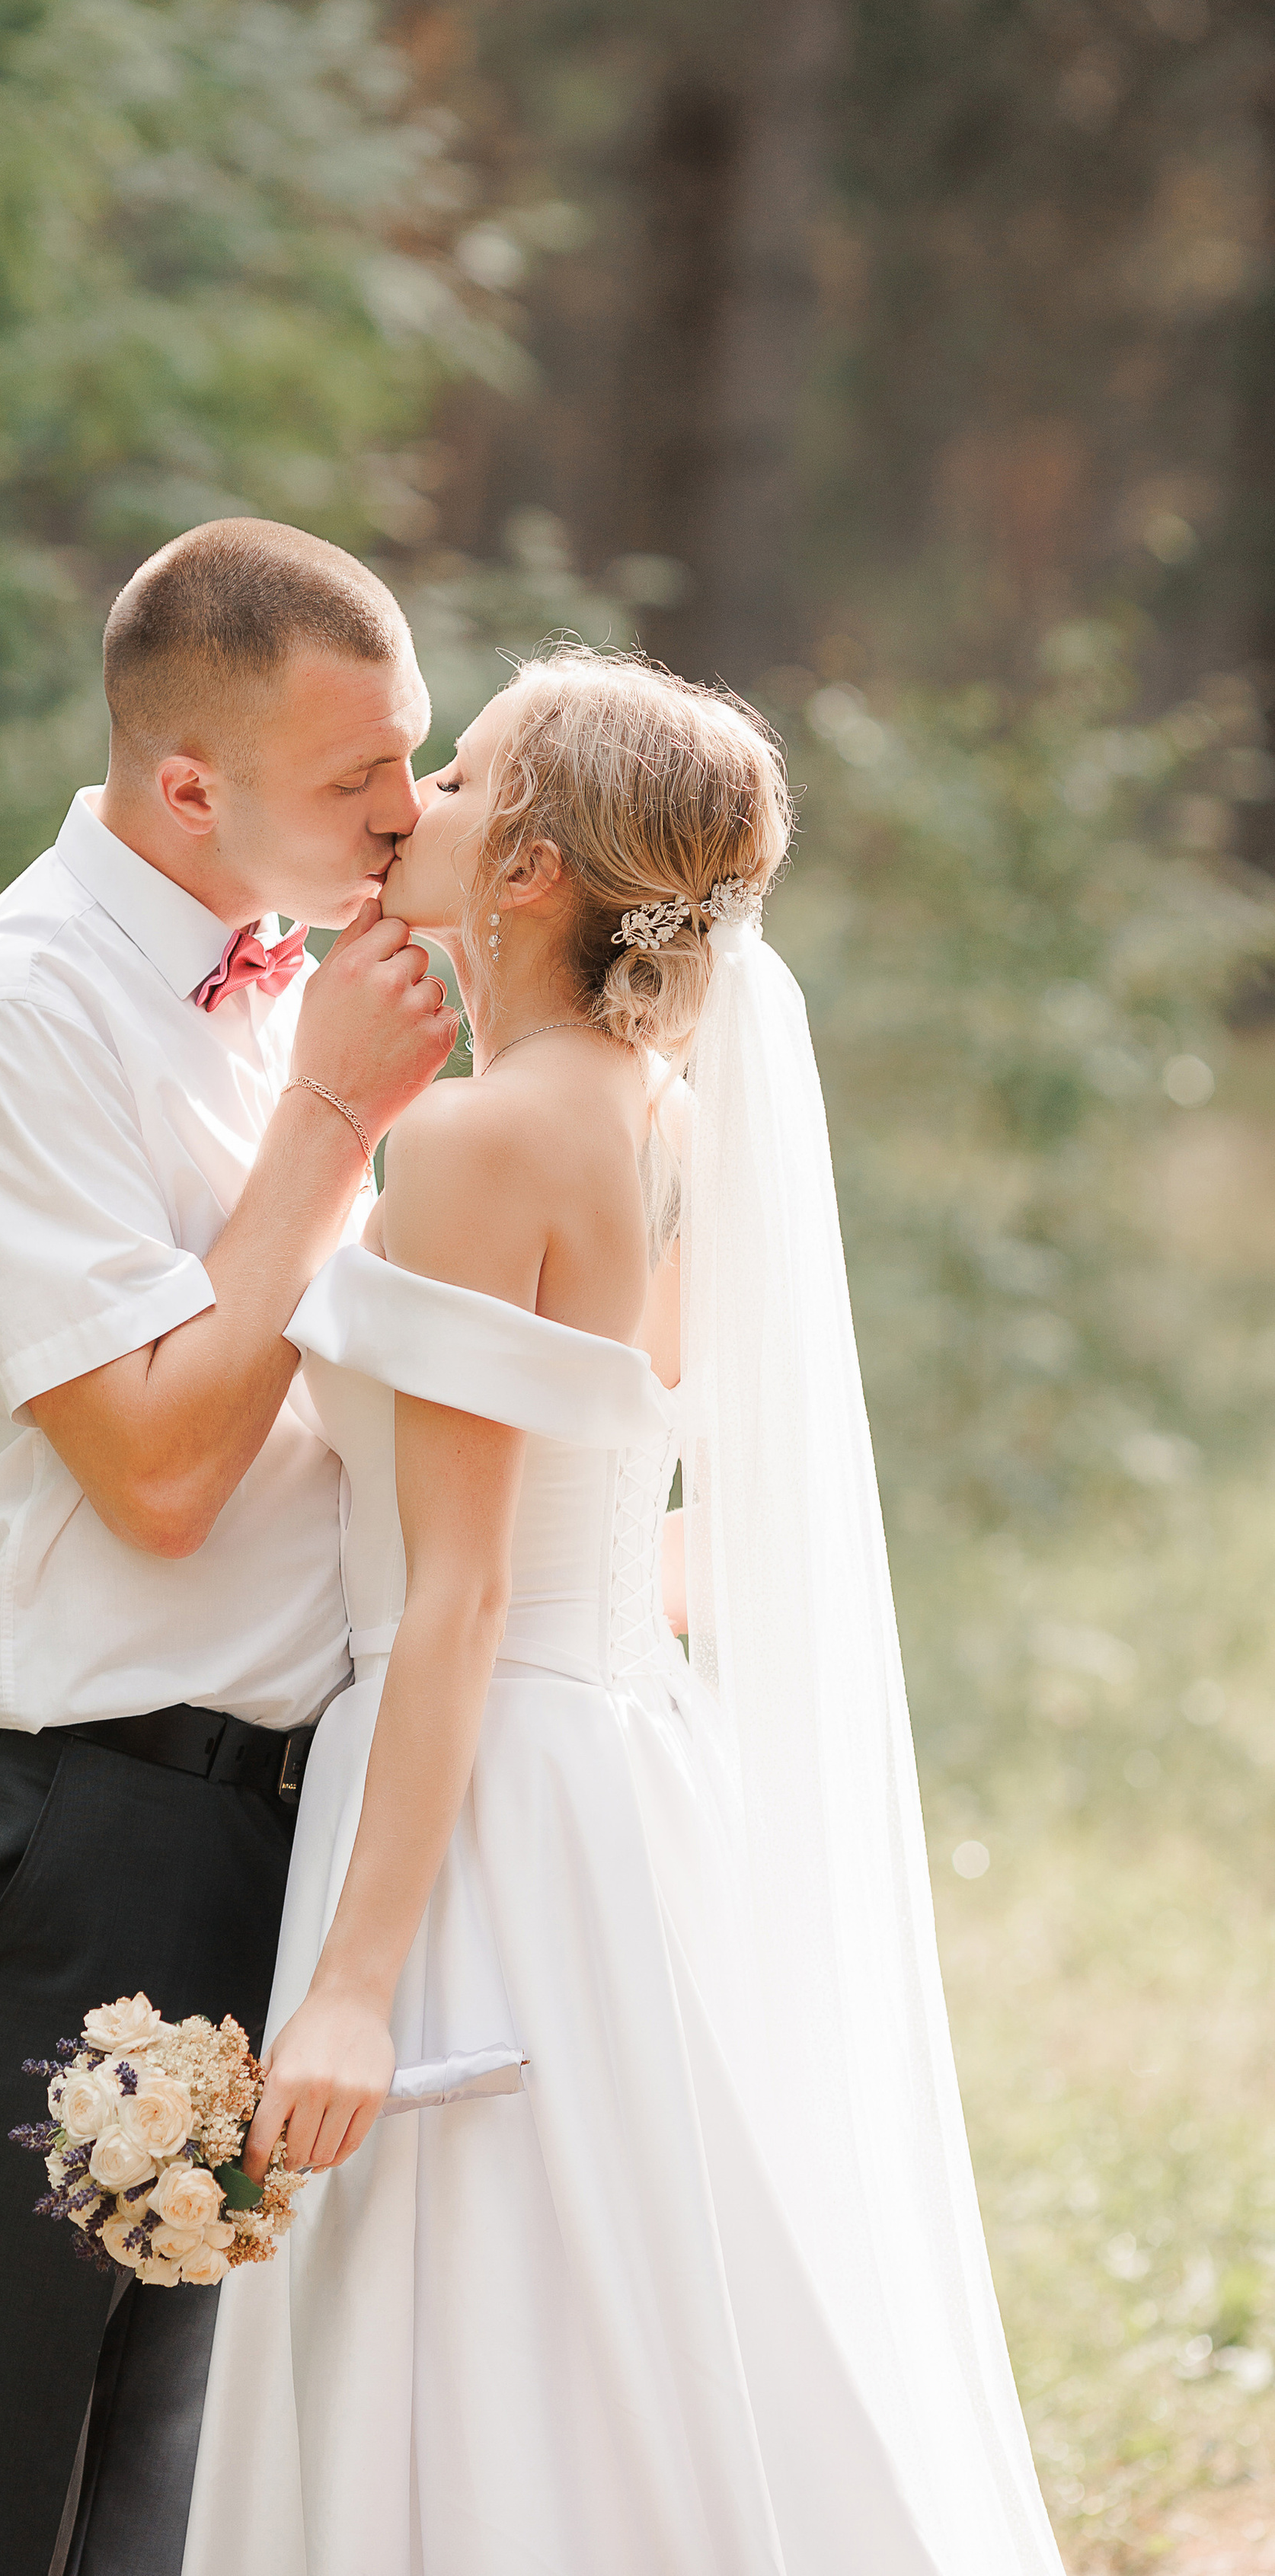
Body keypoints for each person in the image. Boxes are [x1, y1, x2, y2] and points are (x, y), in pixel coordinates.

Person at [182, 650, 1068, 2575]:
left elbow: (462, 1591)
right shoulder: (649, 1111)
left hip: (480, 1782)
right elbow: (623, 1498)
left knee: (482, 2305)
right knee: (632, 2288)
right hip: (612, 1761)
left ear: (529, 874)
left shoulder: (478, 1142)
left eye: (466, 769)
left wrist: (345, 1983)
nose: (412, 788)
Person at [0, 519, 457, 2576]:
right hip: (62, 1838)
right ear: (190, 783)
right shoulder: (7, 1021)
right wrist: (332, 1130)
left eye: (417, 758)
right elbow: (163, 1474)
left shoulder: (293, 993)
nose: (408, 814)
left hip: (273, 1824)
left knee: (164, 2509)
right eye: (362, 779)